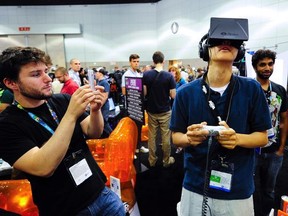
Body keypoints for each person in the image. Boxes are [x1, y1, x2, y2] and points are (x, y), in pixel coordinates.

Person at [0, 46, 125, 216]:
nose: (48, 79)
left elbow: (93, 132)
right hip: (64, 208)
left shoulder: (62, 101)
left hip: (100, 194)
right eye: (36, 74)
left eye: (46, 71)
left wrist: (96, 110)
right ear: (11, 83)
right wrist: (71, 115)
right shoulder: (7, 124)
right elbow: (43, 167)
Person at [170, 18, 272, 216]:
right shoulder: (185, 93)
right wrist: (189, 139)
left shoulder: (252, 90)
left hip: (238, 189)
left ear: (239, 52)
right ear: (205, 50)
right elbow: (175, 137)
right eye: (216, 40)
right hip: (195, 186)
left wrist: (238, 139)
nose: (226, 44)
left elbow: (263, 136)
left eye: (234, 42)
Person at [252, 49, 288, 216]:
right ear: (255, 67)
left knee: (269, 190)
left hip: (273, 152)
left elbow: (284, 120)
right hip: (251, 150)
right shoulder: (249, 89)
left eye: (270, 64)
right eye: (262, 64)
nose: (267, 67)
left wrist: (281, 148)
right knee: (249, 188)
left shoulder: (280, 90)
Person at [143, 51, 176, 167]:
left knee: (152, 136)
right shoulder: (169, 76)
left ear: (153, 61)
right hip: (165, 111)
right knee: (166, 136)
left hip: (151, 110)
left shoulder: (146, 75)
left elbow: (144, 92)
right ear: (164, 61)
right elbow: (173, 95)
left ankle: (152, 160)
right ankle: (166, 160)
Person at [121, 54, 149, 155]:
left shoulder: (138, 74)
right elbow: (124, 92)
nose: (136, 63)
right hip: (131, 106)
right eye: (134, 61)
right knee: (132, 129)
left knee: (139, 127)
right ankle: (132, 150)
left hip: (138, 106)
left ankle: (138, 146)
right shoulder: (126, 75)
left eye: (137, 61)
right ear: (130, 62)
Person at [95, 68, 113, 138]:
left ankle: (112, 136)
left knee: (104, 122)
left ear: (100, 73)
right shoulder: (99, 82)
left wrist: (99, 106)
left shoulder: (104, 82)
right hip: (101, 106)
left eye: (96, 72)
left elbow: (105, 96)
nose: (95, 74)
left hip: (104, 106)